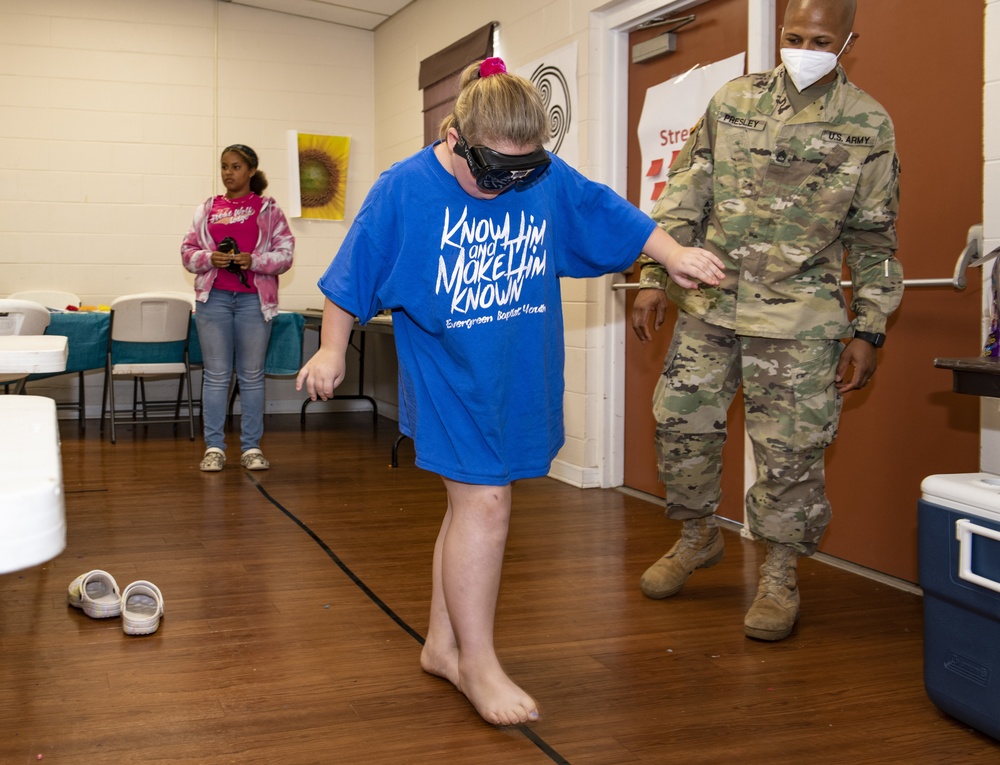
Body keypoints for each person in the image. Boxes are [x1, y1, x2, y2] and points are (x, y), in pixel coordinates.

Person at [297, 57, 724, 726]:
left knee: (469, 508)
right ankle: (478, 663)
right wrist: (329, 349)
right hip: (448, 372)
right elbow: (348, 277)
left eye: (526, 171)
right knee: (487, 506)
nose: (512, 184)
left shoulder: (540, 179)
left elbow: (606, 211)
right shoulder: (403, 190)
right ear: (456, 140)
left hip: (517, 373)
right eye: (497, 171)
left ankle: (441, 645)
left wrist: (671, 255)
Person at [632, 0, 903, 642]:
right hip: (708, 301)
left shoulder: (867, 123)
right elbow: (684, 193)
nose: (804, 45)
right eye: (794, 34)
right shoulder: (733, 101)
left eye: (820, 38)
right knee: (680, 424)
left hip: (801, 319)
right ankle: (697, 538)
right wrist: (653, 278)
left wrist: (869, 329)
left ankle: (781, 573)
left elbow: (874, 238)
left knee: (790, 453)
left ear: (847, 41)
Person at [181, 144, 295, 472]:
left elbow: (286, 254)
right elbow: (187, 251)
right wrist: (207, 258)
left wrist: (254, 261)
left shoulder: (268, 209)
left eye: (235, 167)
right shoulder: (207, 208)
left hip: (254, 302)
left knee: (251, 376)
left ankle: (251, 448)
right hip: (213, 299)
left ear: (251, 172)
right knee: (216, 376)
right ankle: (214, 447)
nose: (228, 173)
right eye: (224, 167)